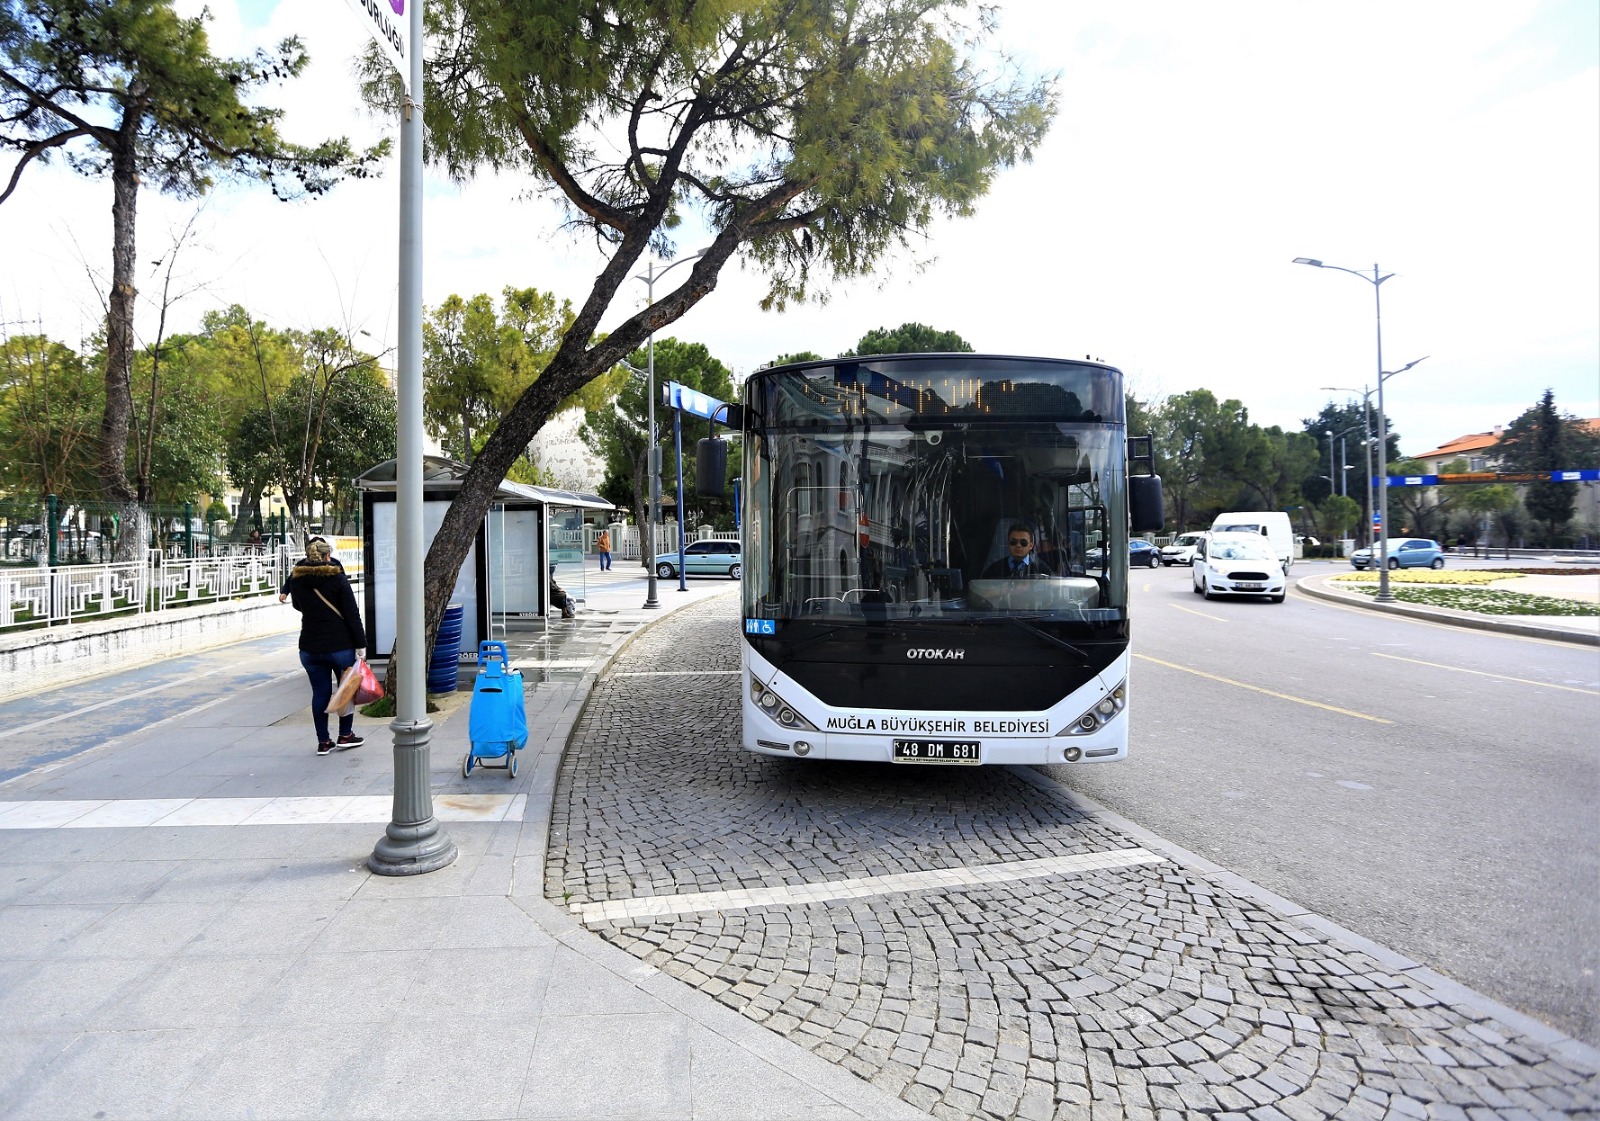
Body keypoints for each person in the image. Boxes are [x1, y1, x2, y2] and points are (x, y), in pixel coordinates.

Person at [280, 537, 367, 756]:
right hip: (340, 646)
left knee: (320, 693)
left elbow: (298, 605)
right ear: (328, 556)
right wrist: (361, 644)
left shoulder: (297, 580)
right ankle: (345, 735)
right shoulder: (337, 579)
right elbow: (351, 613)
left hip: (309, 647)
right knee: (345, 689)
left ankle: (323, 742)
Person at [981, 524, 1056, 579]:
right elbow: (983, 591)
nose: (1018, 545)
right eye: (1013, 542)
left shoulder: (1041, 569)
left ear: (1031, 545)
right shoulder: (995, 569)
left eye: (1023, 542)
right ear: (1008, 543)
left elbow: (1051, 592)